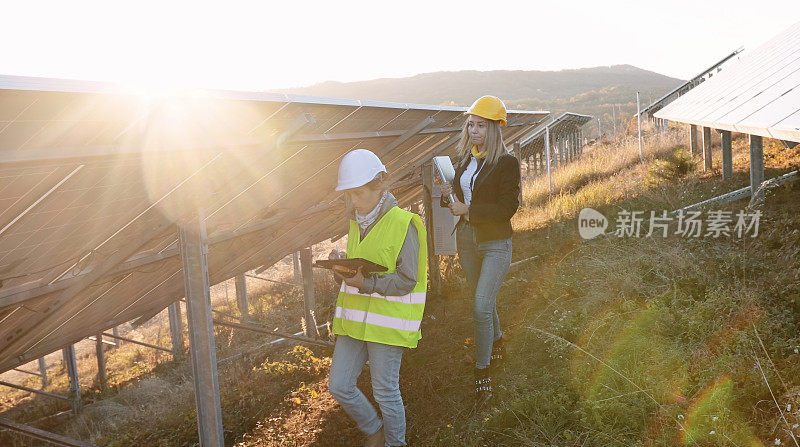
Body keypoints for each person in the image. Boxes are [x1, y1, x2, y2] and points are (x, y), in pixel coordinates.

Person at [327, 149, 428, 447]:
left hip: (386, 324)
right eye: (348, 195)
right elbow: (367, 260)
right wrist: (342, 266)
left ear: (379, 184)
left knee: (386, 392)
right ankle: (374, 429)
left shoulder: (404, 223)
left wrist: (366, 282)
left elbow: (408, 280)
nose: (353, 201)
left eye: (358, 194)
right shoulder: (356, 221)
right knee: (339, 385)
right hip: (355, 320)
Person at [439, 95, 520, 408]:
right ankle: (498, 340)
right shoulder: (464, 163)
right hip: (467, 241)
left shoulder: (506, 164)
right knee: (483, 303)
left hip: (496, 242)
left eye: (481, 125)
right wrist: (448, 196)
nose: (474, 130)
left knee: (480, 307)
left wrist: (467, 209)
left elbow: (507, 207)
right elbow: (456, 204)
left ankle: (482, 371)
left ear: (494, 129)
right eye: (471, 124)